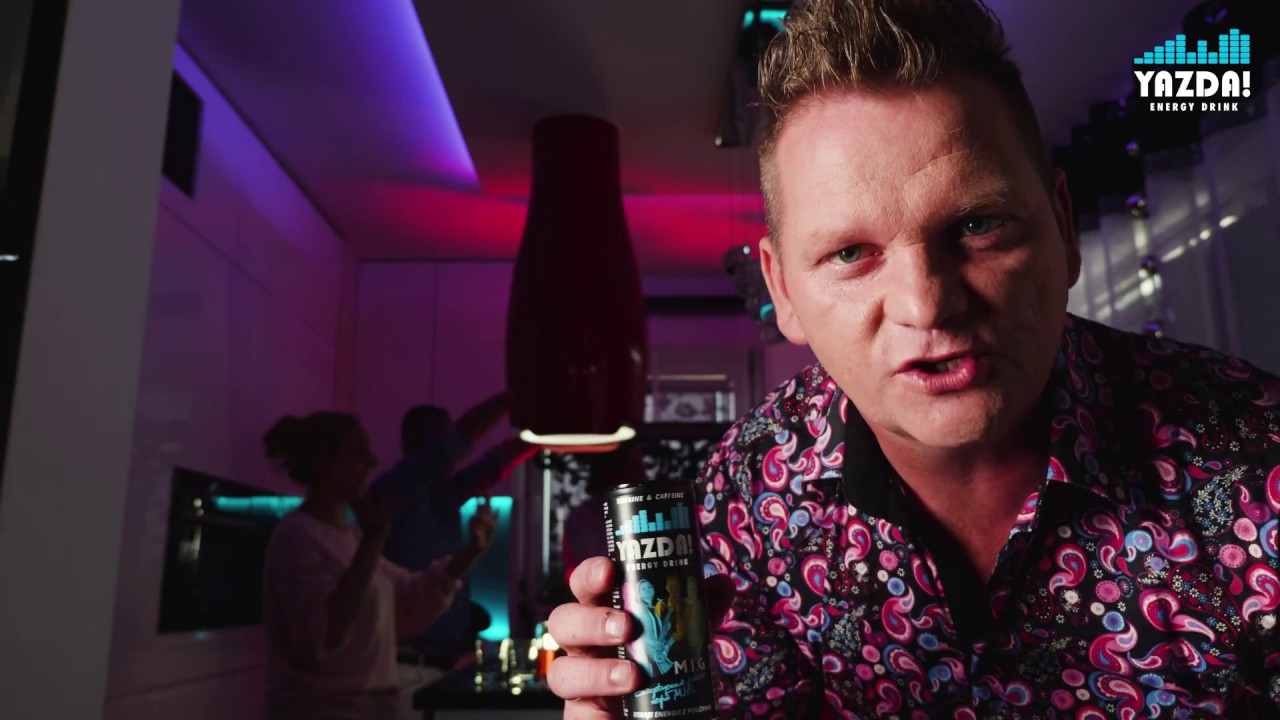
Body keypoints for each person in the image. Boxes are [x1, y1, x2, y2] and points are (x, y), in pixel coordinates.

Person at [545, 0, 1280, 717]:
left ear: (1062, 228)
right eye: (850, 253)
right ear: (782, 291)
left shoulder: (1259, 461)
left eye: (979, 225)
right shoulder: (744, 489)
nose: (926, 306)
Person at [259, 411, 496, 719]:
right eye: (359, 453)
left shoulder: (349, 538)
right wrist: (373, 540)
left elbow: (407, 599)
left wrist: (471, 552)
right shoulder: (297, 536)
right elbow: (327, 634)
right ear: (323, 462)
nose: (372, 462)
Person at [373, 393, 538, 669]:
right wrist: (516, 393)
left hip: (441, 664)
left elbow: (496, 461)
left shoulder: (445, 494)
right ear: (413, 446)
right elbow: (460, 440)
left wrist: (549, 434)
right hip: (403, 664)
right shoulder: (394, 490)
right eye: (436, 440)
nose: (449, 458)